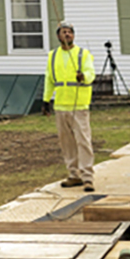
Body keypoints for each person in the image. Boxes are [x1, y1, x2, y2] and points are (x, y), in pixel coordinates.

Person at [44, 23, 95, 189]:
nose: (67, 35)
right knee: (67, 143)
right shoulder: (53, 56)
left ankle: (87, 176)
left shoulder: (83, 54)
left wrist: (84, 76)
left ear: (74, 35)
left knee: (83, 141)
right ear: (58, 36)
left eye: (69, 32)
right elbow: (49, 80)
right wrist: (46, 100)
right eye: (63, 32)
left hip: (79, 105)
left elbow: (91, 73)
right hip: (60, 105)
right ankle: (73, 175)